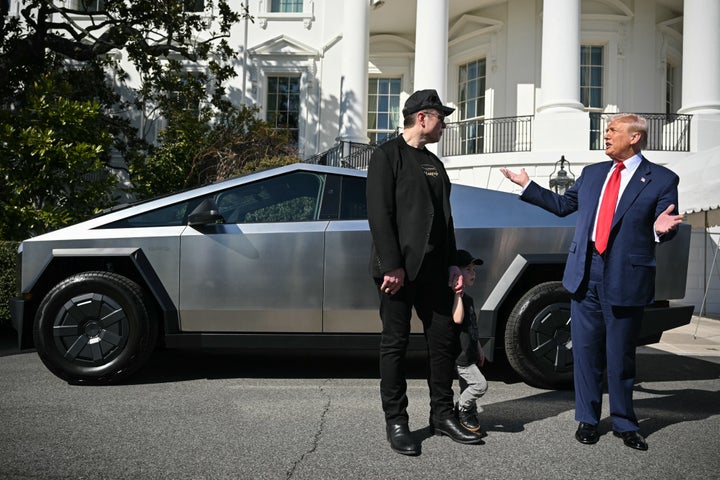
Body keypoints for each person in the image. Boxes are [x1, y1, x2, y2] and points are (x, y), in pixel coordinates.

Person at [500, 113, 684, 451]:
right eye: (606, 130)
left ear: (635, 137)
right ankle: (587, 420)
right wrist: (527, 185)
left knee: (620, 356)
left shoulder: (661, 178)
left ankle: (625, 423)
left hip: (626, 277)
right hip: (585, 273)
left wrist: (660, 230)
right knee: (584, 354)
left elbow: (664, 221)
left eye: (613, 130)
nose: (606, 135)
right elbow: (562, 205)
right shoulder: (592, 173)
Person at [367, 89, 484, 456]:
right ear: (422, 117)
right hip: (397, 273)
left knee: (443, 343)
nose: (445, 124)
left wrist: (453, 264)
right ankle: (397, 422)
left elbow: (445, 220)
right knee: (395, 346)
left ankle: (442, 415)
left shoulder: (434, 163)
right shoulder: (387, 156)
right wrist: (393, 265)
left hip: (435, 272)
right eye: (441, 117)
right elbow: (379, 214)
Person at [451, 249, 488, 434]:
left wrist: (479, 348)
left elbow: (472, 327)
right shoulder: (455, 298)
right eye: (468, 269)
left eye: (474, 269)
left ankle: (469, 411)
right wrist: (457, 293)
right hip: (462, 357)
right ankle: (463, 408)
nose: (473, 273)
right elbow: (457, 320)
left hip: (471, 352)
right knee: (480, 385)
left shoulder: (470, 299)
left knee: (467, 385)